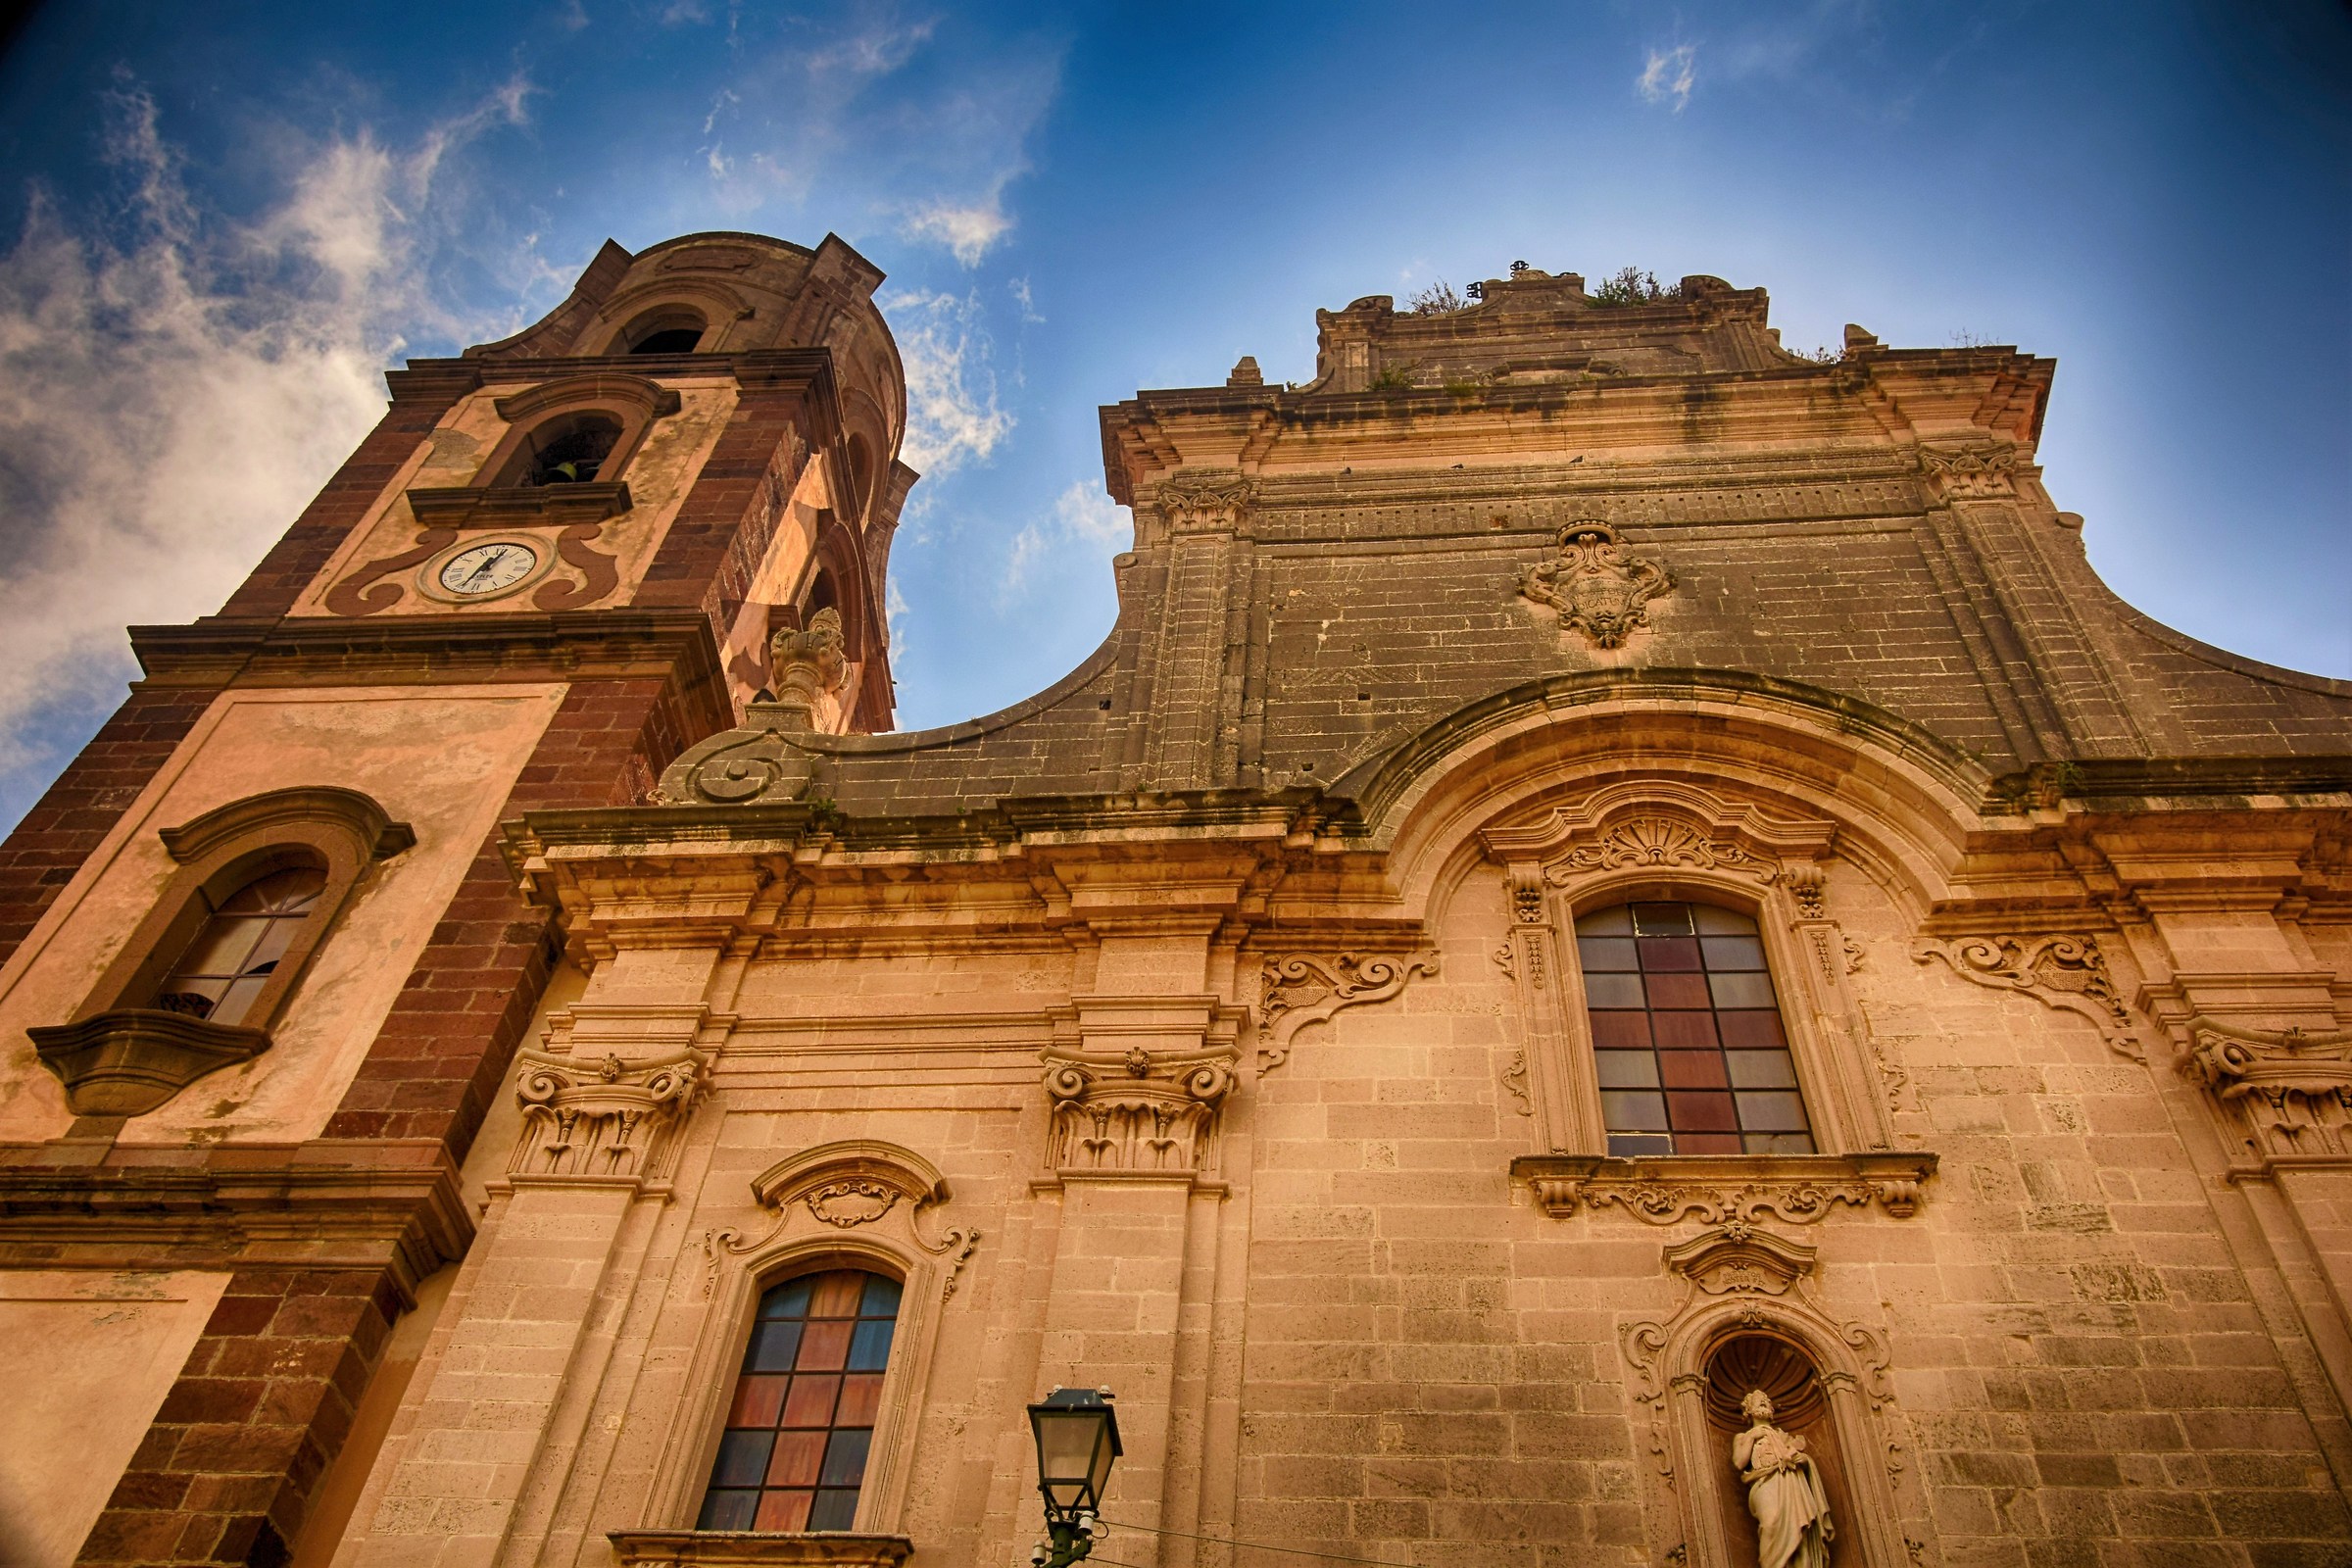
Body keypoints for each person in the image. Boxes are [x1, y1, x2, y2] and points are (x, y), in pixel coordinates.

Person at [1732, 1389, 1834, 1568]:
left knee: (1801, 1534)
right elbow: (1739, 1462)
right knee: (1769, 1525)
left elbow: (1799, 1457)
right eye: (1758, 1400)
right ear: (1748, 1410)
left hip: (1791, 1481)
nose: (1763, 1401)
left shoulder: (1782, 1435)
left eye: (1766, 1400)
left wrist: (1805, 1460)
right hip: (1765, 1483)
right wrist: (1753, 1437)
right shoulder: (1743, 1436)